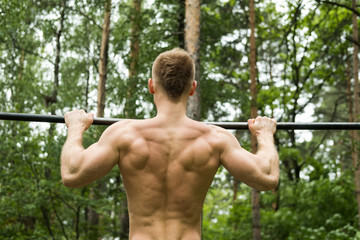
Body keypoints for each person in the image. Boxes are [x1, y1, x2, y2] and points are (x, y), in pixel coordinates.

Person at [61, 48, 279, 240]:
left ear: (151, 86)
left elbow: (72, 173)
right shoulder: (215, 139)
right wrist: (265, 134)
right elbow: (268, 177)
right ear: (192, 88)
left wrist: (75, 129)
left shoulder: (124, 135)